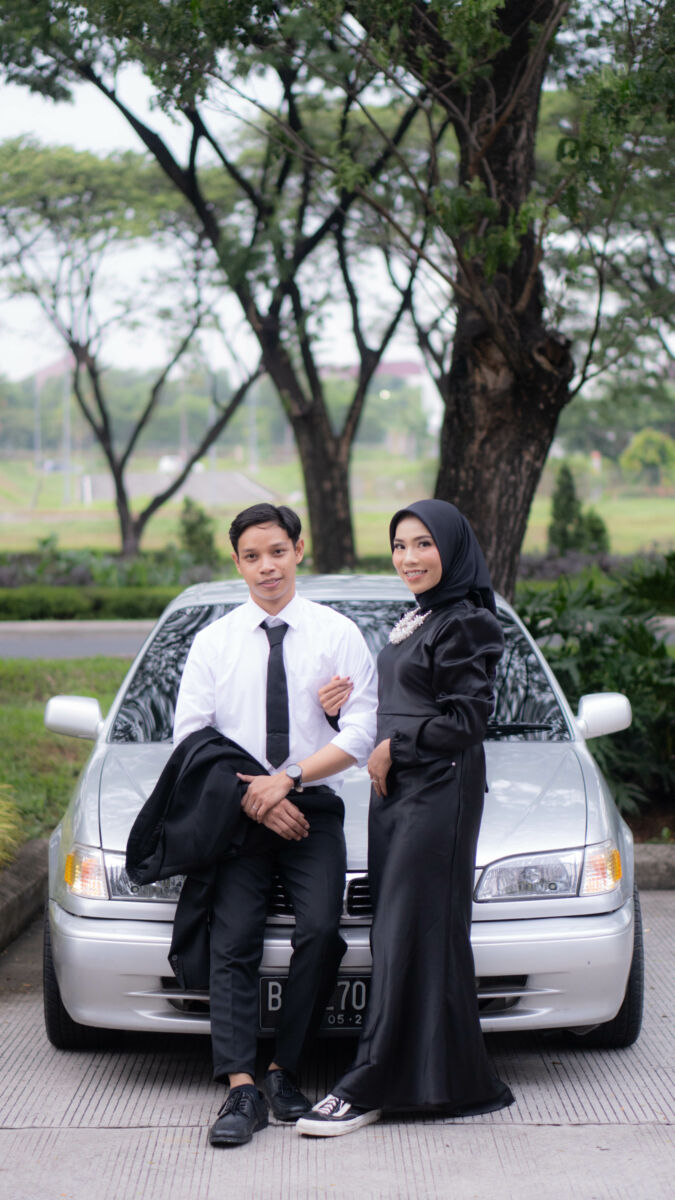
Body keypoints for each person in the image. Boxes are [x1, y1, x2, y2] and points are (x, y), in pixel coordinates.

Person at [297, 498, 514, 1136]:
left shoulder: (467, 621)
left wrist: (397, 748)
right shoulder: (422, 616)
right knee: (412, 934)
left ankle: (368, 1083)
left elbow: (468, 721)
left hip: (437, 793)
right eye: (399, 546)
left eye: (423, 544)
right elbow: (405, 704)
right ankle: (445, 1081)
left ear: (452, 548)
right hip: (399, 792)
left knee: (404, 932)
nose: (408, 558)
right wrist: (340, 714)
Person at [172, 503, 377, 1147]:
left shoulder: (337, 634)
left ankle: (285, 1070)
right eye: (253, 556)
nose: (267, 567)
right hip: (235, 810)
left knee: (319, 931)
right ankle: (241, 1089)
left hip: (312, 805)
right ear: (237, 562)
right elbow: (191, 740)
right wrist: (254, 797)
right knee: (233, 939)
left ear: (299, 550)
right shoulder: (213, 643)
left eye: (278, 552)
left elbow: (363, 733)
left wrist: (287, 781)